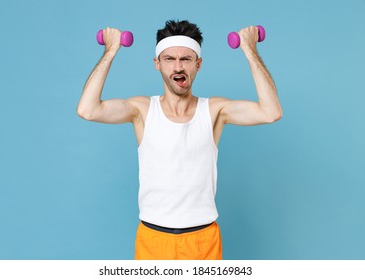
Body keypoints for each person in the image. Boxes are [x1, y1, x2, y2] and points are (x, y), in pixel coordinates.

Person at [77, 20, 282, 260]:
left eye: (186, 59)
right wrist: (110, 51)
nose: (178, 67)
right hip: (153, 240)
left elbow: (271, 112)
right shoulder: (141, 110)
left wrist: (250, 50)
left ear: (198, 64)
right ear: (157, 64)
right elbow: (87, 110)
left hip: (203, 241)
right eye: (169, 59)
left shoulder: (215, 111)